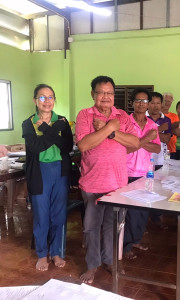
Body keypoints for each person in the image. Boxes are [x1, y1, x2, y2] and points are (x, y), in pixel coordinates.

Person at [75, 75, 139, 284]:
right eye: (101, 92)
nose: (105, 96)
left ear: (114, 95)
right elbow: (84, 145)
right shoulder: (85, 115)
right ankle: (92, 265)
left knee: (113, 226)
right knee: (91, 227)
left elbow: (134, 142)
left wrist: (110, 130)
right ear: (93, 94)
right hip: (92, 183)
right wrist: (110, 128)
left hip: (117, 184)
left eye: (109, 93)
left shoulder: (122, 116)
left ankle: (109, 260)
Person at [22, 84, 73, 271]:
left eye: (50, 97)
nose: (46, 101)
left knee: (58, 214)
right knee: (41, 215)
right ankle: (42, 254)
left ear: (54, 100)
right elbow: (35, 147)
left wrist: (46, 128)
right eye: (42, 97)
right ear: (35, 100)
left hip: (60, 171)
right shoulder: (28, 123)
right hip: (39, 173)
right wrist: (54, 130)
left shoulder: (62, 121)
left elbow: (67, 146)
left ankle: (57, 252)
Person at [123, 88, 161, 260]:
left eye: (145, 101)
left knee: (142, 210)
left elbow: (157, 148)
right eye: (138, 100)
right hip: (126, 171)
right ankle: (125, 246)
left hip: (145, 173)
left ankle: (136, 240)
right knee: (128, 212)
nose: (141, 104)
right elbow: (126, 148)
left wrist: (139, 143)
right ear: (132, 103)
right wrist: (146, 140)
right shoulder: (124, 122)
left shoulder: (152, 125)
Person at [146, 92, 172, 170]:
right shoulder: (143, 118)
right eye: (152, 103)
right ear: (148, 104)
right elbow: (140, 137)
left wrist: (149, 135)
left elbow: (166, 139)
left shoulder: (166, 120)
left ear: (161, 104)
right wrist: (160, 129)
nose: (156, 106)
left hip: (161, 159)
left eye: (158, 103)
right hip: (146, 159)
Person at [162, 92, 180, 159]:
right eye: (165, 101)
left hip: (172, 149)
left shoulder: (174, 116)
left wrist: (165, 128)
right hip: (160, 149)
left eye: (169, 101)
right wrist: (172, 128)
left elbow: (177, 132)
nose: (167, 103)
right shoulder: (157, 115)